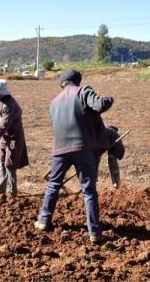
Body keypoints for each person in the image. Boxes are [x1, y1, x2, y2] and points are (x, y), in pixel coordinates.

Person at [34, 69, 114, 243]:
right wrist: (110, 99)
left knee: (53, 184)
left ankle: (43, 221)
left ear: (62, 83)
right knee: (89, 191)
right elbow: (100, 105)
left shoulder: (54, 102)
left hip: (59, 150)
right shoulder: (83, 91)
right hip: (82, 148)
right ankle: (94, 232)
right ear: (77, 81)